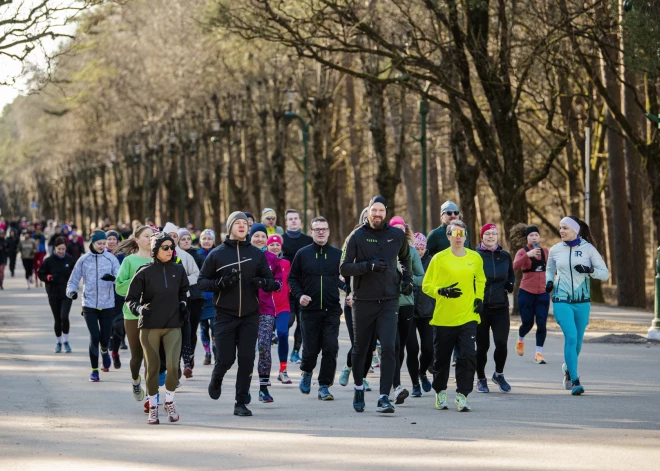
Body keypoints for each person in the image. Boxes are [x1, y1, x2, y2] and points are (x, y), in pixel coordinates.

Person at [198, 212, 276, 417]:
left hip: (251, 315)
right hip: (224, 314)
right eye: (238, 223)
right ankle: (217, 377)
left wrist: (262, 283)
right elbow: (202, 281)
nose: (242, 226)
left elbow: (269, 281)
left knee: (247, 358)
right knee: (226, 358)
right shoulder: (217, 254)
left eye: (245, 223)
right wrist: (220, 284)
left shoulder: (257, 254)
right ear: (230, 227)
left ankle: (240, 402)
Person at [340, 196, 412, 414]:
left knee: (390, 347)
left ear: (386, 212)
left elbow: (406, 259)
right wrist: (368, 266)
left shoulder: (396, 236)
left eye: (381, 210)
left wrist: (407, 279)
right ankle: (359, 388)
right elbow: (344, 268)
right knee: (361, 350)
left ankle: (383, 397)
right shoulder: (357, 236)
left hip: (389, 301)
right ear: (368, 212)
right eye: (374, 210)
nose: (377, 214)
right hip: (363, 302)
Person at [422, 219, 485, 412]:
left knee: (467, 356)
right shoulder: (439, 258)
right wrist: (441, 291)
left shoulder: (475, 257)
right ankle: (440, 391)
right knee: (441, 359)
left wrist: (478, 298)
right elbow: (426, 286)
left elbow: (481, 279)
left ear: (466, 236)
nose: (459, 237)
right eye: (454, 234)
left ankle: (462, 395)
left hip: (468, 316)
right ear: (448, 236)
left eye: (462, 234)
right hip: (443, 319)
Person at [125, 232, 189, 425]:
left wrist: (184, 303)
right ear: (155, 250)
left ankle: (169, 402)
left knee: (172, 367)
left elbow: (184, 291)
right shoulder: (144, 271)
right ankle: (153, 406)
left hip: (172, 325)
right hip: (150, 327)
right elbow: (130, 299)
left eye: (171, 247)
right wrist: (139, 309)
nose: (170, 251)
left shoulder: (178, 270)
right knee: (152, 369)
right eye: (165, 247)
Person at [546, 216, 609, 396]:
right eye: (560, 228)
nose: (561, 231)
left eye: (565, 228)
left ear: (576, 230)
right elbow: (550, 269)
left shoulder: (589, 250)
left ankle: (567, 367)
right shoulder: (555, 250)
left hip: (582, 301)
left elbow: (605, 274)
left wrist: (590, 271)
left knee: (578, 342)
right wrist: (549, 282)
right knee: (571, 337)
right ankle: (575, 380)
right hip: (561, 299)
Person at [66, 232, 120, 382]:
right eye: (100, 244)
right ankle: (95, 371)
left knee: (104, 338)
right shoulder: (83, 260)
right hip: (89, 304)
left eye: (105, 244)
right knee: (94, 336)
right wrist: (71, 292)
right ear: (93, 243)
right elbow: (73, 280)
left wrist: (113, 278)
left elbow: (121, 278)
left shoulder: (111, 259)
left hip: (108, 304)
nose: (103, 246)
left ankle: (105, 351)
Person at [388, 216, 425, 405]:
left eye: (402, 229)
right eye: (395, 228)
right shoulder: (383, 250)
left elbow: (422, 277)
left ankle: (395, 385)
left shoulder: (411, 251)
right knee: (393, 346)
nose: (399, 232)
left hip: (407, 305)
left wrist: (408, 281)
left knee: (403, 347)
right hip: (386, 304)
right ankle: (396, 386)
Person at [115, 225, 154, 401]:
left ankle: (151, 396)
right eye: (146, 236)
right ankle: (135, 381)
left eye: (152, 236)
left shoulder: (159, 260)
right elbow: (120, 287)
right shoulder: (129, 261)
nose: (150, 239)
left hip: (154, 314)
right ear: (137, 240)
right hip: (132, 315)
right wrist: (139, 280)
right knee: (137, 356)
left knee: (151, 357)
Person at [475, 223, 515, 393]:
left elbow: (511, 274)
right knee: (482, 346)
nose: (491, 236)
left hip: (501, 306)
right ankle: (481, 378)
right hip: (481, 307)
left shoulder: (505, 256)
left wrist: (511, 284)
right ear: (482, 236)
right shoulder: (475, 256)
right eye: (487, 234)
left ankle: (498, 374)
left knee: (501, 343)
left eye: (493, 234)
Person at [248, 223, 283, 403]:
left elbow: (279, 283)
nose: (259, 239)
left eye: (263, 236)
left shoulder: (271, 258)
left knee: (264, 346)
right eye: (256, 236)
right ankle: (244, 387)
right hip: (245, 310)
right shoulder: (244, 255)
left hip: (266, 309)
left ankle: (263, 388)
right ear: (250, 237)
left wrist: (269, 284)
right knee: (246, 351)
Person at [512, 224, 550, 364]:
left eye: (536, 235)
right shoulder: (522, 252)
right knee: (528, 323)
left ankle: (538, 354)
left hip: (543, 293)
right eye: (531, 235)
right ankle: (520, 338)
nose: (534, 237)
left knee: (542, 324)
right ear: (527, 238)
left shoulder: (546, 252)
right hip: (526, 292)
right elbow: (514, 266)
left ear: (539, 237)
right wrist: (528, 255)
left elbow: (553, 268)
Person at [282, 209, 313, 363]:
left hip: (304, 287)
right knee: (288, 321)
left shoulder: (308, 240)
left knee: (302, 321)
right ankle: (284, 349)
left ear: (300, 221)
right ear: (286, 222)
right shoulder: (280, 241)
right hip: (285, 288)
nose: (293, 221)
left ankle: (295, 352)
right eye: (290, 219)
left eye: (296, 218)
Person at [407, 233, 434, 397]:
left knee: (428, 348)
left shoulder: (432, 262)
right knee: (412, 348)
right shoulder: (407, 259)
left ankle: (422, 372)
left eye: (422, 248)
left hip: (427, 311)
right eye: (417, 248)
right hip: (409, 311)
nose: (420, 251)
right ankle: (415, 383)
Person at [38, 237, 75, 352]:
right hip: (53, 293)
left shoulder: (70, 260)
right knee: (57, 319)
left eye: (63, 249)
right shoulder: (48, 261)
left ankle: (66, 341)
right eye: (59, 249)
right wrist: (48, 278)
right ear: (55, 248)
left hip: (66, 293)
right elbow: (41, 274)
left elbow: (76, 274)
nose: (61, 251)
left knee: (64, 317)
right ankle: (58, 342)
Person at [179, 227, 206, 378]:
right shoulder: (174, 255)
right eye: (183, 239)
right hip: (182, 298)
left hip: (196, 298)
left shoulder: (198, 255)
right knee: (184, 329)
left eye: (188, 239)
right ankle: (183, 361)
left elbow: (203, 274)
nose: (186, 241)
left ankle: (189, 357)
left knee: (192, 330)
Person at [266, 234, 293, 384]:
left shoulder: (286, 263)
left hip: (283, 306)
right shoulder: (262, 261)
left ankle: (283, 370)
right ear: (267, 246)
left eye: (277, 245)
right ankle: (265, 373)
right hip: (266, 307)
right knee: (265, 341)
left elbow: (291, 283)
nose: (275, 247)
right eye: (272, 245)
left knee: (283, 334)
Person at [196, 229, 217, 365]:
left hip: (215, 296)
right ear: (200, 240)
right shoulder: (197, 254)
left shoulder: (218, 253)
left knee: (215, 327)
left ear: (213, 241)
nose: (206, 241)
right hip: (201, 296)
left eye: (209, 238)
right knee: (203, 328)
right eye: (204, 238)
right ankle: (207, 353)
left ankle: (216, 352)